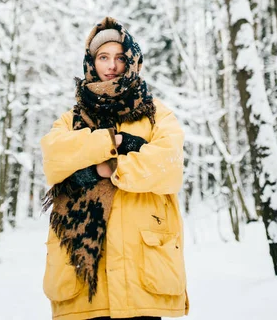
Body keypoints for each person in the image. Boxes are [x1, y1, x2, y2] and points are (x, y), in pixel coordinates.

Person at [41, 16, 189, 320]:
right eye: (103, 57)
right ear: (91, 63)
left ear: (132, 60)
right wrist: (116, 140)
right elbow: (55, 158)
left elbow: (168, 166)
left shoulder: (155, 114)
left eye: (120, 57)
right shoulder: (72, 117)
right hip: (84, 278)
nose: (111, 65)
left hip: (142, 274)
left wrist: (110, 168)